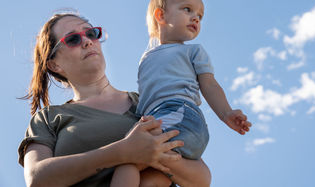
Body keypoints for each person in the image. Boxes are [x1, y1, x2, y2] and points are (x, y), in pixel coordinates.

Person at [18, 12, 211, 187]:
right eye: (73, 39)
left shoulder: (145, 103)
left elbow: (201, 179)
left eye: (91, 34)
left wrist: (151, 154)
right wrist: (121, 152)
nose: (87, 41)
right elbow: (36, 178)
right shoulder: (48, 118)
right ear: (54, 64)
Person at [112, 0, 252, 186]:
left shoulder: (193, 51)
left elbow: (210, 85)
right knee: (152, 177)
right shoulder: (147, 57)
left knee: (127, 159)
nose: (196, 18)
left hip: (181, 115)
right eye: (187, 9)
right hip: (159, 117)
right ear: (160, 15)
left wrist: (226, 114)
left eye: (200, 16)